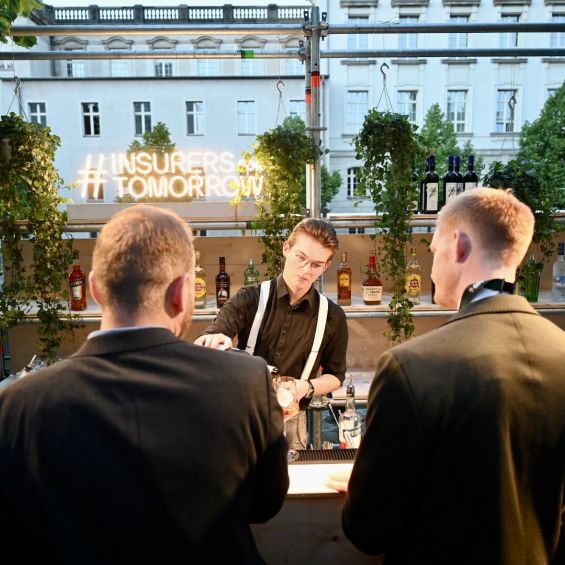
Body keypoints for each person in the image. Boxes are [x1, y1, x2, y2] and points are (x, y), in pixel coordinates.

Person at [0, 205, 289, 564]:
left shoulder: (17, 406)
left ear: (95, 289)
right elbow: (266, 504)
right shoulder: (247, 381)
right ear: (181, 292)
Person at [330, 189, 565, 564]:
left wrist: (363, 490)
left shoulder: (410, 366)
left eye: (434, 248)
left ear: (458, 245)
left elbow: (369, 529)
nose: (430, 267)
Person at [195, 218, 348, 449]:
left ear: (326, 266)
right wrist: (216, 340)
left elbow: (336, 376)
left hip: (292, 422)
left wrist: (305, 387)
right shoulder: (250, 298)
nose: (306, 270)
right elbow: (209, 337)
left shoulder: (333, 316)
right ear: (286, 248)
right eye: (301, 258)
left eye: (316, 265)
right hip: (243, 417)